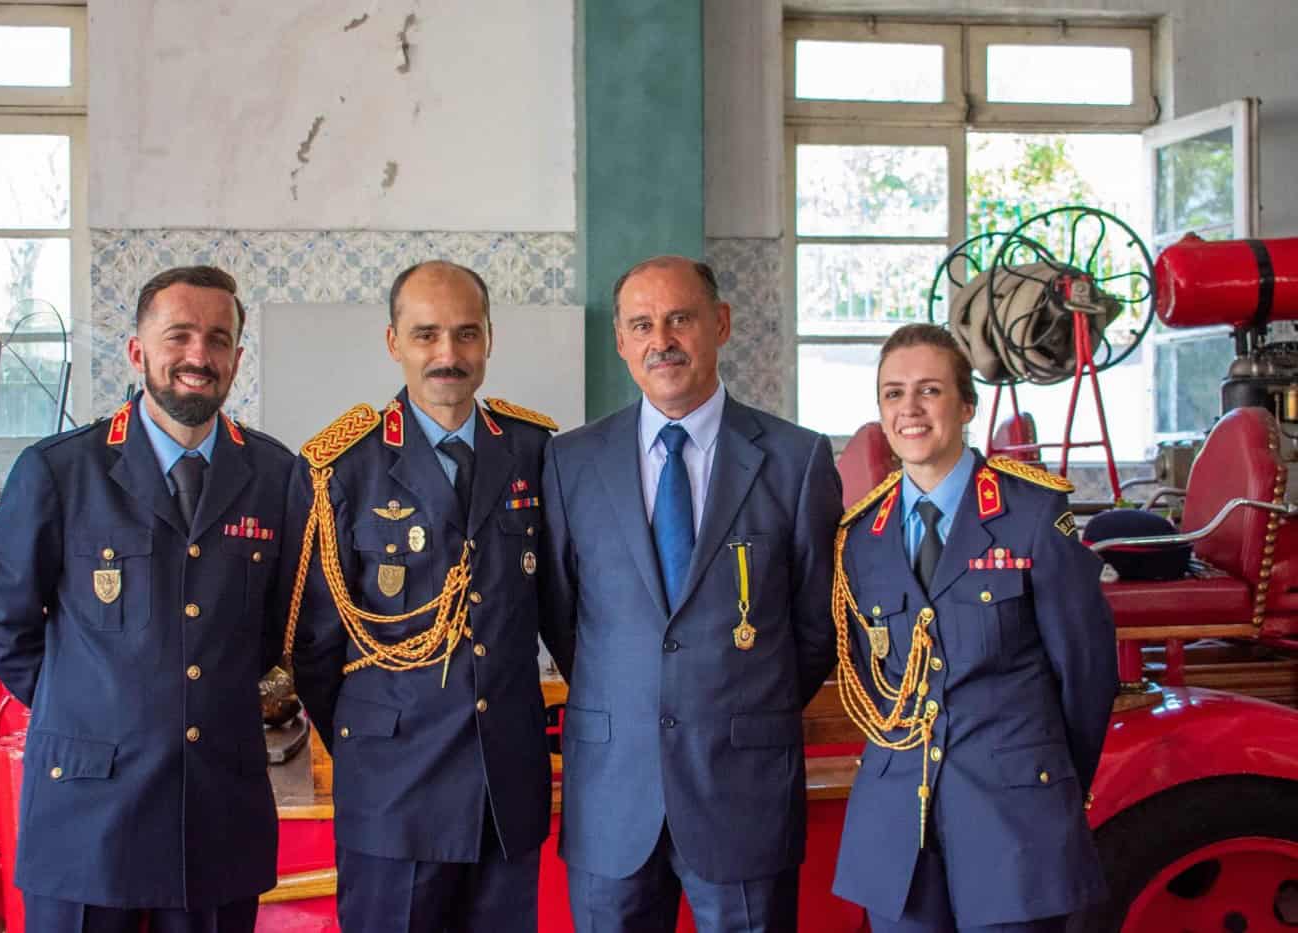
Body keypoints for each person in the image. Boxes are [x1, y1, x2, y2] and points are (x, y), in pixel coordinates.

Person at [0, 266, 294, 933]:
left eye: (218, 338)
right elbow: (3, 625)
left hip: (216, 810)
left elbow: (277, 625)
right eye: (178, 335)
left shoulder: (276, 476)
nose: (198, 356)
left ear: (237, 356)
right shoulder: (60, 470)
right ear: (138, 351)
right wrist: (99, 706)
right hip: (88, 812)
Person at [539, 255, 842, 932]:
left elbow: (817, 626)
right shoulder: (570, 461)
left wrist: (738, 694)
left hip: (744, 790)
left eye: (680, 318)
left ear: (720, 324)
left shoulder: (797, 460)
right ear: (620, 342)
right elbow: (565, 618)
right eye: (641, 324)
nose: (662, 339)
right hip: (613, 792)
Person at [284, 260, 561, 933]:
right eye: (426, 334)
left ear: (489, 339)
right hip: (393, 790)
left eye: (466, 334)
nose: (448, 355)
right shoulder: (341, 466)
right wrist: (376, 735)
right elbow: (314, 645)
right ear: (393, 341)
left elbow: (563, 611)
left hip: (506, 787)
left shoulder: (534, 451)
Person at [831, 323, 1118, 932]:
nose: (909, 409)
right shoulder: (861, 537)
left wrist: (1047, 786)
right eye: (893, 393)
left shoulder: (1035, 514)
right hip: (898, 828)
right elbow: (873, 676)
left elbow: (1087, 676)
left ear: (965, 405)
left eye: (929, 391)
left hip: (1012, 822)